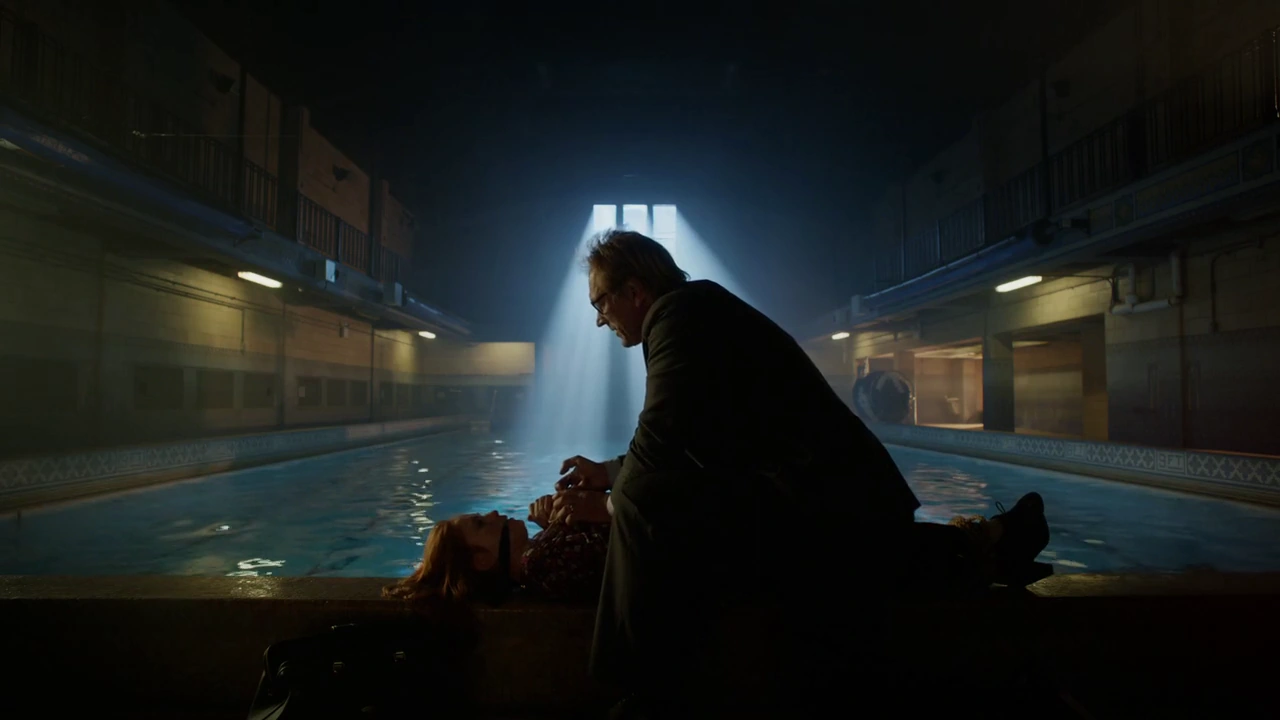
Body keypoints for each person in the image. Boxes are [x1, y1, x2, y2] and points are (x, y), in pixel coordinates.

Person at [555, 229, 1049, 717]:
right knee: (869, 560)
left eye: (600, 302)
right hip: (825, 494)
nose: (598, 319)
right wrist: (611, 472)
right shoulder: (692, 310)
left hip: (824, 498)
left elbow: (661, 438)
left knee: (642, 498)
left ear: (634, 291)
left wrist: (608, 503)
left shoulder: (678, 316)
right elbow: (684, 433)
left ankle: (641, 687)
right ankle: (996, 538)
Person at [383, 491, 612, 603]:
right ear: (482, 559)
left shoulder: (536, 563)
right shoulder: (539, 563)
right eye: (480, 523)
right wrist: (589, 505)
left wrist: (555, 525)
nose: (493, 513)